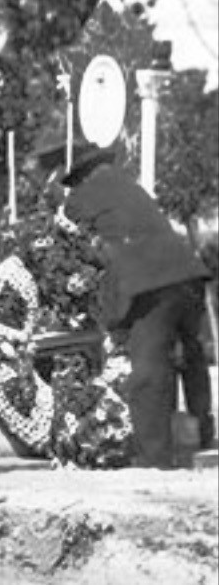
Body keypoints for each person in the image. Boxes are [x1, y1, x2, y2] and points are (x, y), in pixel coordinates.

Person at [32, 140, 214, 467]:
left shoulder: (81, 198)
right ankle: (204, 437)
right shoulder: (130, 187)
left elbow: (74, 249)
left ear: (72, 176)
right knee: (191, 355)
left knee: (149, 368)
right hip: (189, 273)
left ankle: (154, 459)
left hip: (151, 284)